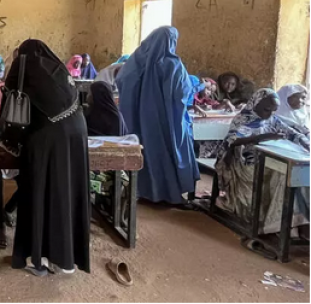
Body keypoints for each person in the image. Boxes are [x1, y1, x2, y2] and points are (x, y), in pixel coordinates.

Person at [3, 39, 90, 276]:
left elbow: (9, 111)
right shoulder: (57, 70)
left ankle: (38, 258)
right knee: (66, 192)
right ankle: (66, 257)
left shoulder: (23, 67)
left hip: (48, 140)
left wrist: (10, 141)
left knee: (39, 192)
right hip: (77, 135)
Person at [214, 89, 309, 246]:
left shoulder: (272, 119)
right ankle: (279, 224)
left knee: (297, 175)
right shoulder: (243, 119)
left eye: (273, 111)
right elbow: (232, 141)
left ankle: (297, 223)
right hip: (245, 164)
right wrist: (263, 137)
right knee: (283, 175)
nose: (269, 114)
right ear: (256, 104)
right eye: (266, 109)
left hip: (267, 159)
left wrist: (306, 144)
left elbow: (293, 134)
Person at [116, 26, 198, 205]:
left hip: (138, 118)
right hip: (167, 119)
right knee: (167, 152)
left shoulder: (135, 62)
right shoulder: (172, 65)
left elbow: (121, 80)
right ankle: (168, 194)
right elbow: (182, 93)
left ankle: (142, 191)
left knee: (143, 150)